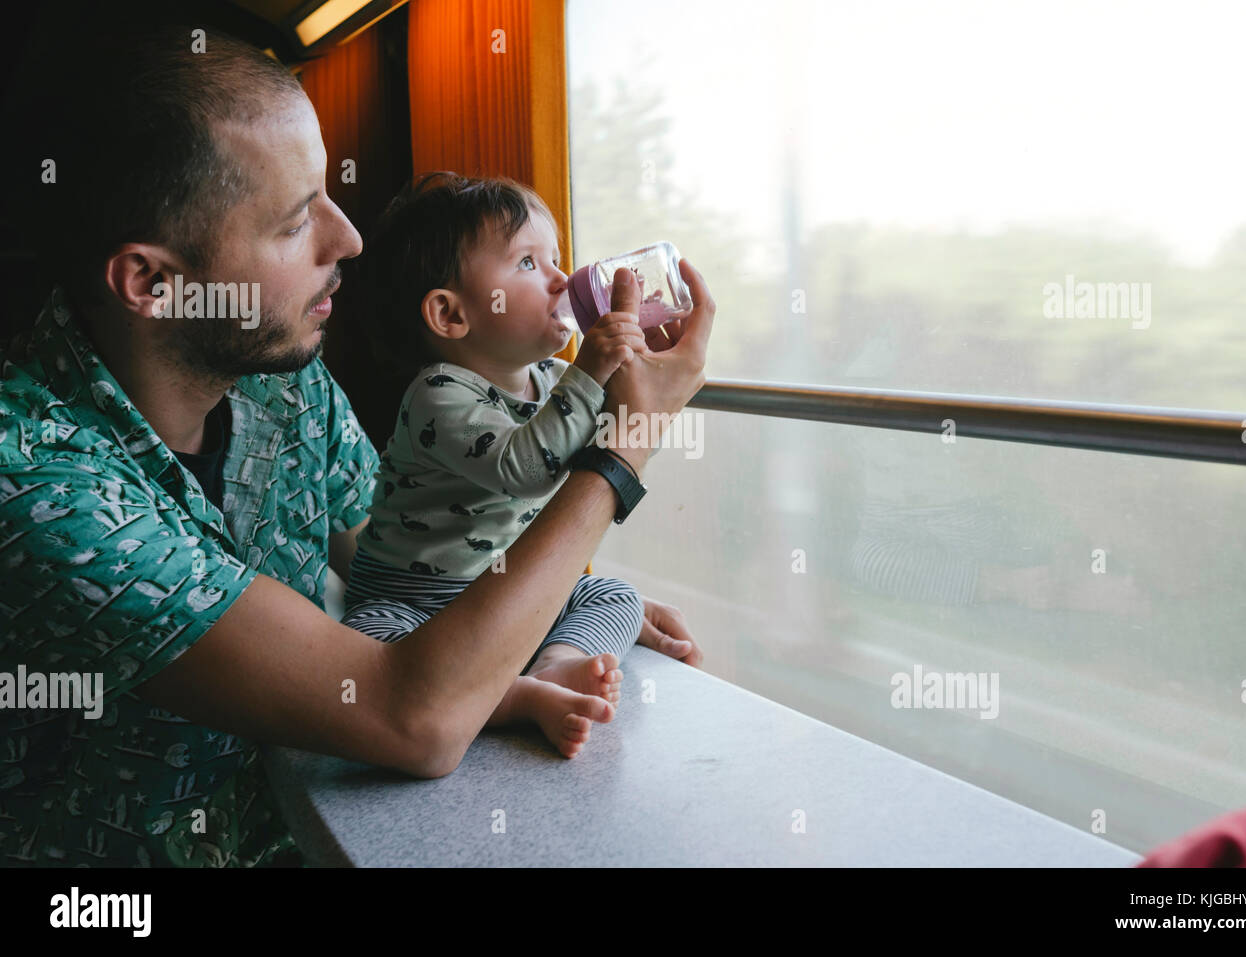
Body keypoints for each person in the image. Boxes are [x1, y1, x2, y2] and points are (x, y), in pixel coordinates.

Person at [0, 25, 713, 867]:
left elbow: (421, 550)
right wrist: (624, 448)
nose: (350, 240)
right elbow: (414, 718)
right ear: (153, 282)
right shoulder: (36, 483)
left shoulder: (283, 385)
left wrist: (569, 597)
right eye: (297, 220)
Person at [341, 173, 656, 759]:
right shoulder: (440, 392)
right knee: (367, 639)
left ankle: (559, 662)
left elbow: (612, 441)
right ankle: (510, 697)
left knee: (615, 596)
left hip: (512, 593)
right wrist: (592, 372)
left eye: (557, 257)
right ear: (451, 315)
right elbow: (526, 469)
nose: (563, 279)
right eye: (528, 264)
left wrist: (636, 362)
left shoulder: (556, 381)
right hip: (417, 600)